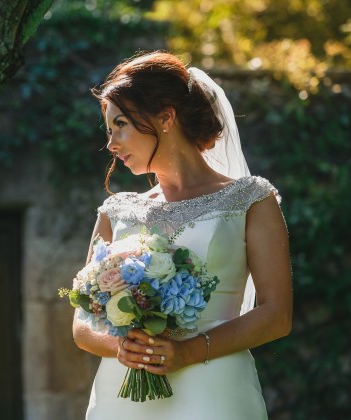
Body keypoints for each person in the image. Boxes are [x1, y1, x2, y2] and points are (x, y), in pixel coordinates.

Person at [72, 51, 293, 419]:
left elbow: (276, 315)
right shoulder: (116, 212)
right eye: (109, 130)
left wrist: (189, 352)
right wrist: (120, 346)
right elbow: (82, 323)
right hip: (122, 397)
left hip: (214, 388)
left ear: (166, 117)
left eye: (121, 125)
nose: (111, 143)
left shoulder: (251, 200)